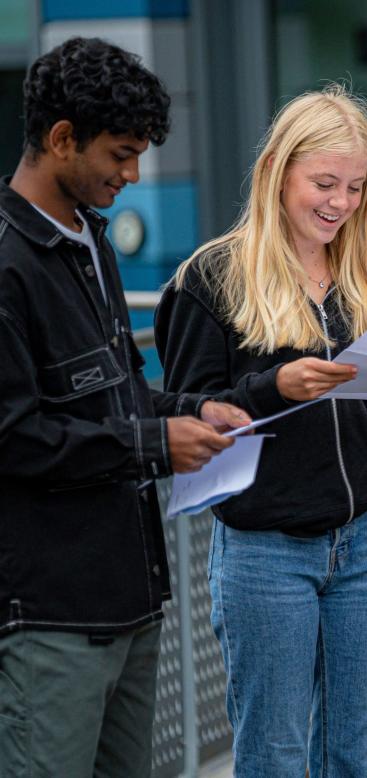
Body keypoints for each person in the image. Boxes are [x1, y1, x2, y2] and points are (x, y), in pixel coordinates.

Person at [154, 86, 367, 777]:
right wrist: (271, 388)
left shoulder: (364, 276)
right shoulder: (211, 279)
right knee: (276, 756)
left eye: (355, 187)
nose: (340, 203)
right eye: (324, 183)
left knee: (357, 753)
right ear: (275, 172)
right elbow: (184, 421)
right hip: (265, 550)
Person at [0, 37, 248, 776]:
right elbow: (14, 439)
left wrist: (197, 411)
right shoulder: (9, 265)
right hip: (51, 621)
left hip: (132, 606)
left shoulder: (90, 241)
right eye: (120, 154)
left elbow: (118, 395)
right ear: (61, 139)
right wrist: (152, 444)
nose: (133, 176)